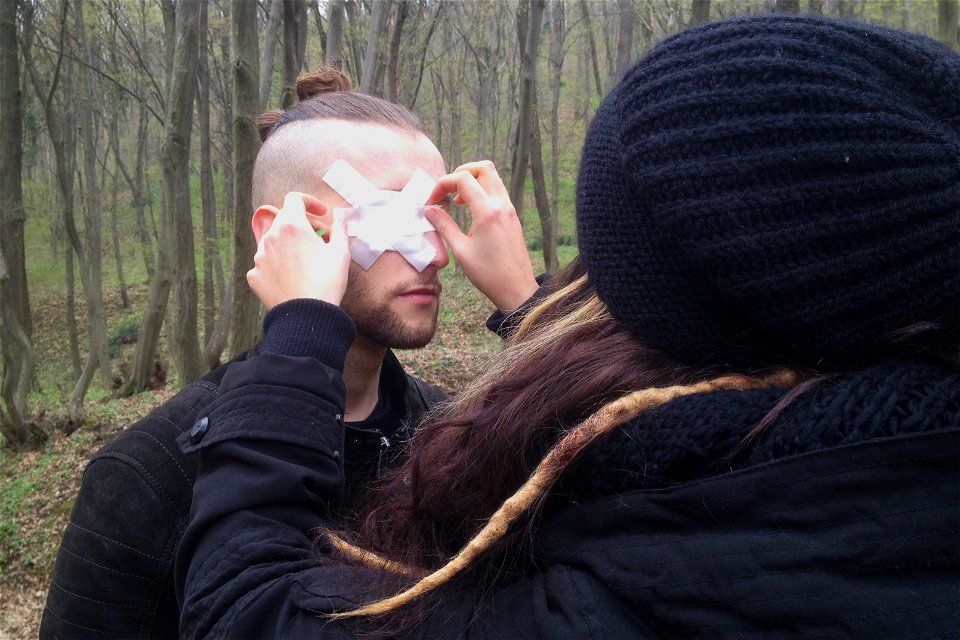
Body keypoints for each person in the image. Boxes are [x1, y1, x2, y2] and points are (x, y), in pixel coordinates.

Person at [176, 14, 959, 639]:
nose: (436, 252)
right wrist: (533, 306)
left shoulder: (669, 560)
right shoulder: (864, 463)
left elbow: (248, 611)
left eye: (605, 269)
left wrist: (299, 337)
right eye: (393, 218)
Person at [40, 69, 535, 639]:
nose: (435, 255)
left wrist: (530, 309)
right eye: (394, 217)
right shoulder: (150, 474)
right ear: (284, 232)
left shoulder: (453, 437)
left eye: (434, 218)